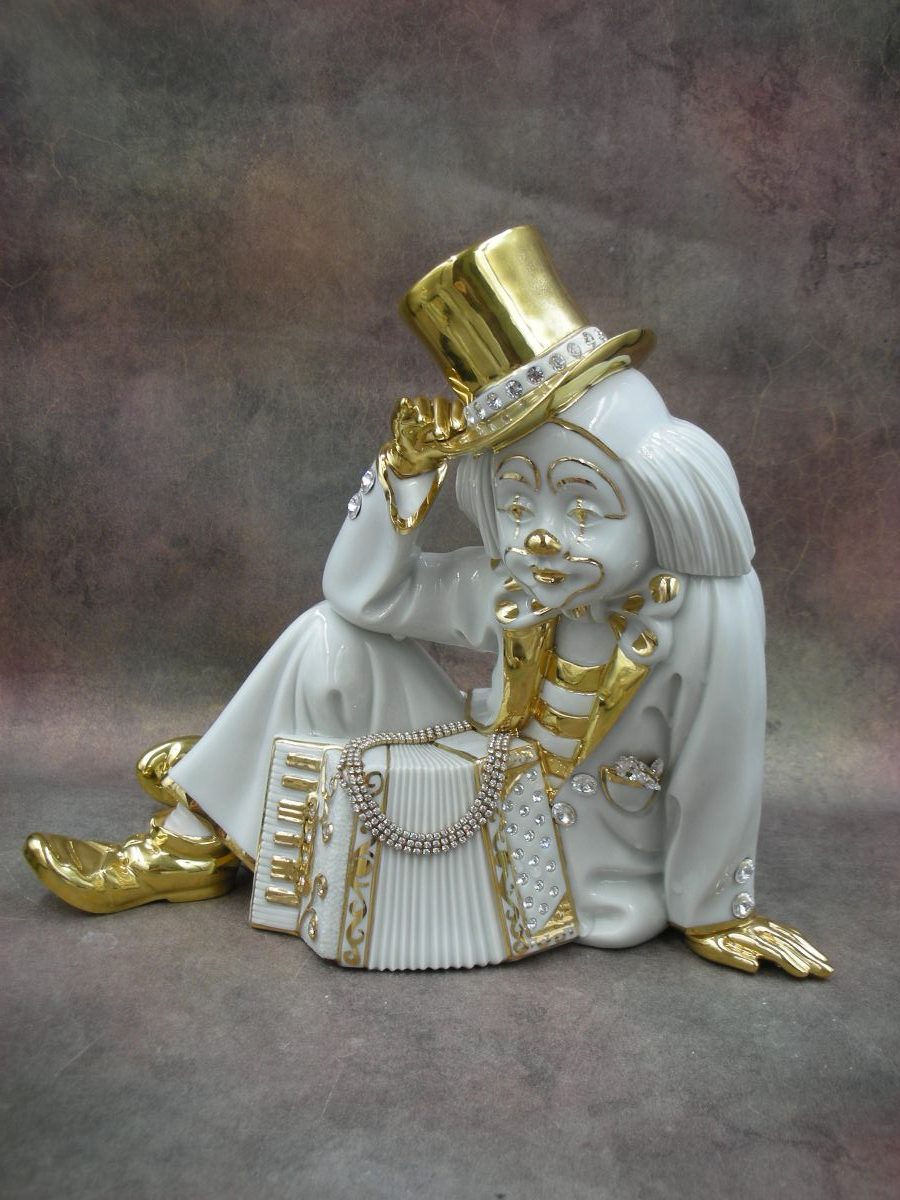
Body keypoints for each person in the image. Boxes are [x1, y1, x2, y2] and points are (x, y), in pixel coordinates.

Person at [24, 226, 831, 978]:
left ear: (664, 497)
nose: (541, 538)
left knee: (312, 686)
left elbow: (721, 766)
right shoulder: (520, 588)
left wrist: (713, 913)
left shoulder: (701, 612)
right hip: (482, 779)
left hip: (574, 865)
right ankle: (193, 843)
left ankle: (228, 773)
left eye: (583, 506)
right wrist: (406, 472)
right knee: (328, 638)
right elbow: (361, 595)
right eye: (517, 504)